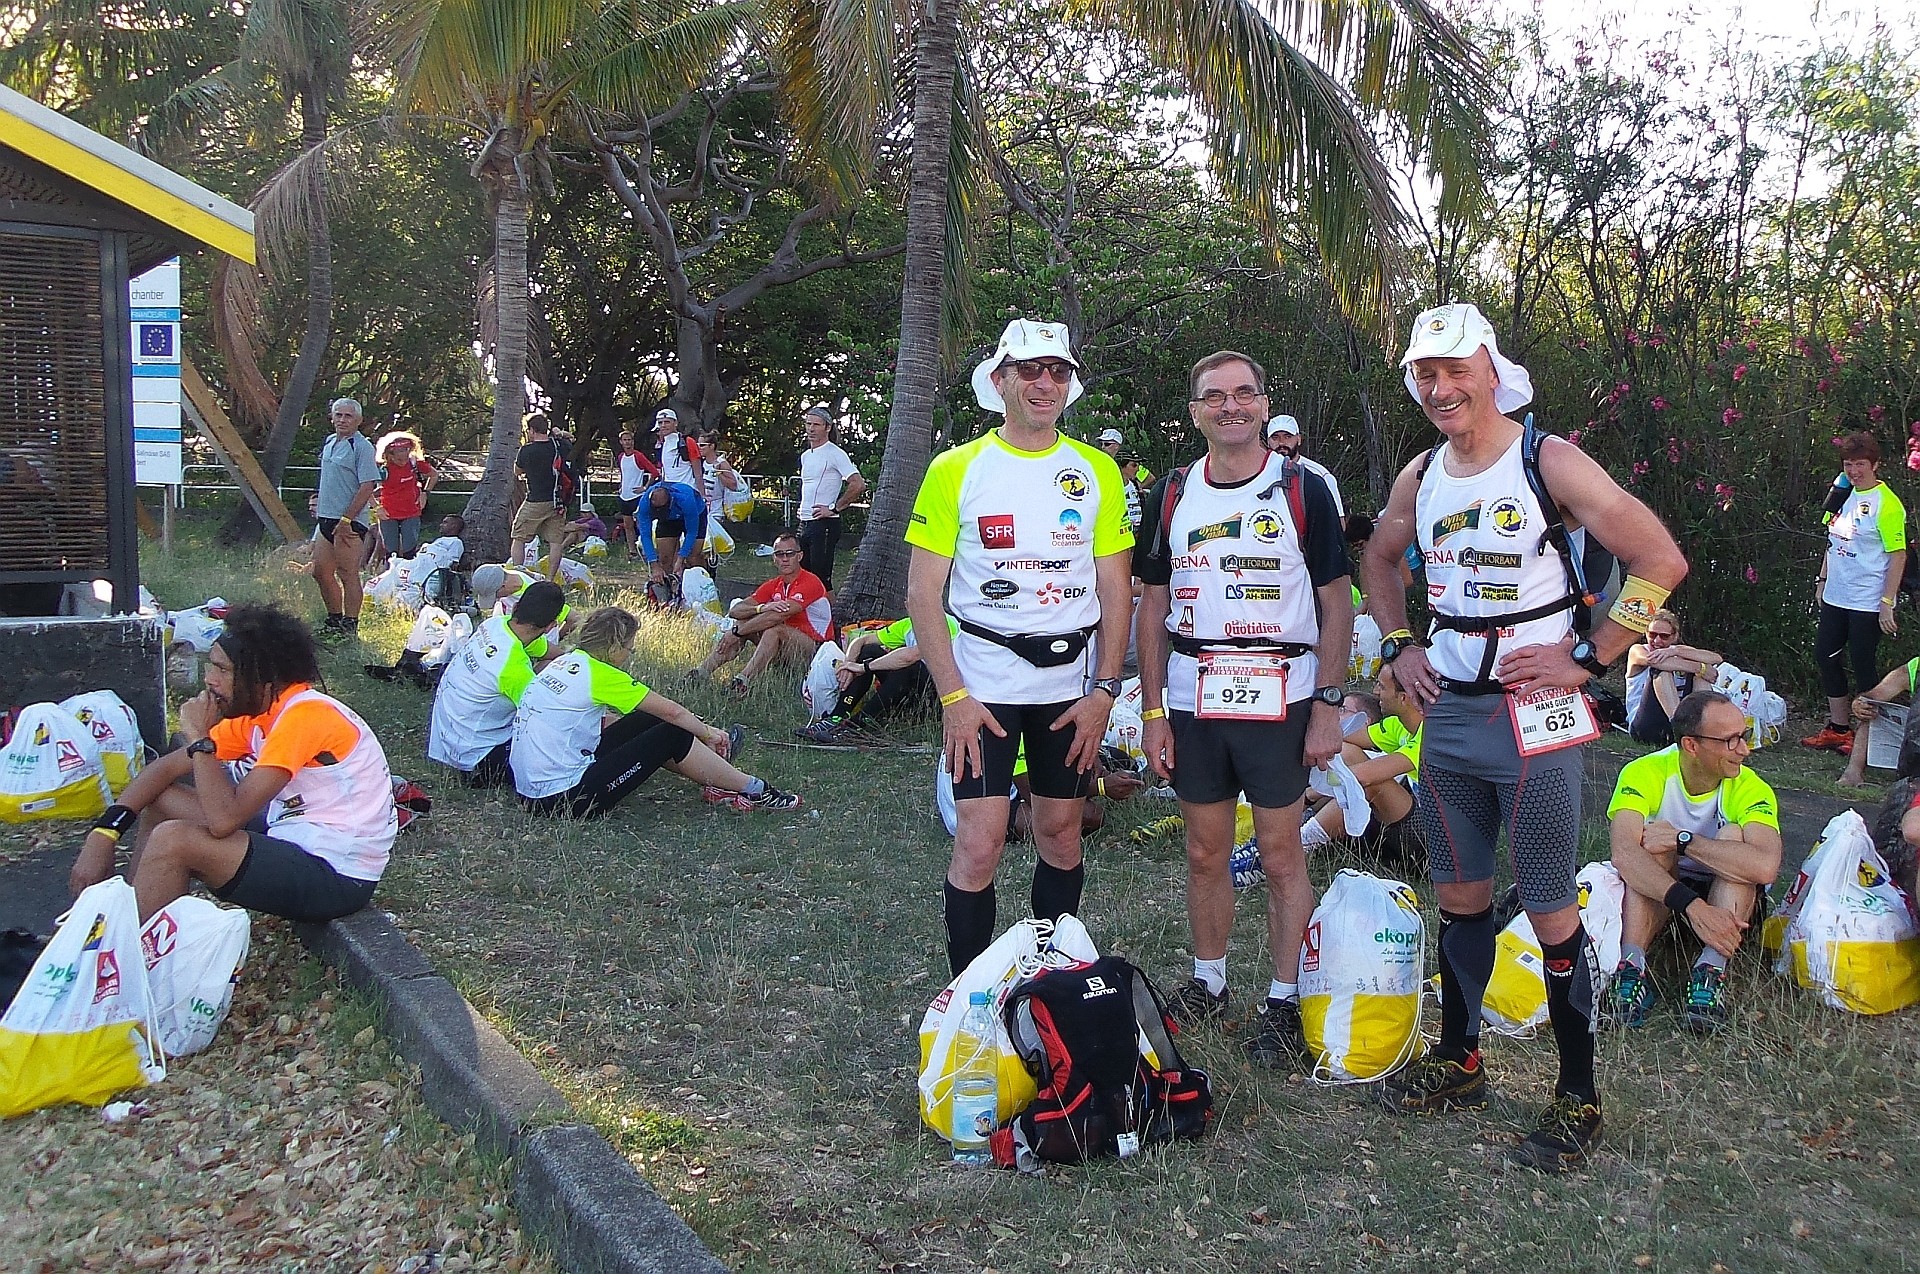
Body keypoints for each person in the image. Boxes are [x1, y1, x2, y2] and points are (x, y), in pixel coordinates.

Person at [1360, 301, 1687, 1172]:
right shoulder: (1421, 472)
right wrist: (1399, 644)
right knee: (1460, 894)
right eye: (1423, 373)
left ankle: (1577, 1092)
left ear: (1489, 370)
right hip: (1453, 713)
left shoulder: (1547, 458)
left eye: (1453, 368)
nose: (1438, 386)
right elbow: (1379, 560)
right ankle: (1460, 1057)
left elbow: (1661, 558)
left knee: (1546, 900)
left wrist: (1588, 653)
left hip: (1537, 715)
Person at [1133, 349, 1353, 1066]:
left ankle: (1285, 998)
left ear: (1263, 404)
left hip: (1281, 692)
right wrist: (1155, 710)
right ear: (1195, 411)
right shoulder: (1171, 493)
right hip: (1196, 695)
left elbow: (1335, 604)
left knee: (1284, 853)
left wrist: (1326, 706)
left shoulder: (1301, 490)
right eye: (1214, 396)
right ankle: (1209, 980)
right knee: (1205, 851)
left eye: (1244, 393)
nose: (1231, 406)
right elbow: (1153, 606)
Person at [905, 317, 1134, 976]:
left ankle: (1048, 981)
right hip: (983, 688)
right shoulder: (956, 469)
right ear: (1000, 379)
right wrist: (953, 698)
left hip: (1070, 691)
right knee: (980, 842)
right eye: (1030, 370)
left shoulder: (1096, 470)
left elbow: (1116, 591)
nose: (1045, 383)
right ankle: (969, 1000)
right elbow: (924, 595)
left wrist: (1104, 692)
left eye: (1058, 370)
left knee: (1062, 835)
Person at [67, 604, 395, 922]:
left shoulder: (304, 718)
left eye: (222, 670)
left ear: (262, 678)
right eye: (211, 666)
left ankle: (129, 959)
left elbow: (223, 821)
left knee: (175, 839)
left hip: (338, 873)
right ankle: (129, 921)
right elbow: (162, 770)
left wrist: (200, 739)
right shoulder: (261, 715)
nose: (209, 680)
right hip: (295, 837)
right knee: (163, 800)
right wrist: (104, 834)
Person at [1605, 690, 1781, 1033]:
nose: (1743, 750)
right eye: (1730, 741)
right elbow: (1623, 853)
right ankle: (1632, 966)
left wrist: (1684, 841)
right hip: (1667, 887)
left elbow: (1765, 866)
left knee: (1734, 837)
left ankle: (1710, 971)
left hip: (1728, 889)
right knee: (1649, 843)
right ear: (1691, 745)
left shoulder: (1751, 786)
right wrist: (1694, 908)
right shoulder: (1645, 772)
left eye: (1743, 736)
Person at [512, 607, 799, 816]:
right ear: (613, 648)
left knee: (650, 720)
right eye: (629, 648)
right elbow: (673, 713)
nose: (629, 655)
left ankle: (717, 776)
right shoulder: (600, 674)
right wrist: (710, 733)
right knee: (672, 731)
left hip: (530, 791)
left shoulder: (564, 662)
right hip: (564, 799)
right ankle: (756, 789)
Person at [1803, 431, 1908, 755]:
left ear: (1874, 465)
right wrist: (1822, 581)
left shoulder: (1887, 504)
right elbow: (1832, 539)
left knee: (1863, 665)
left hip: (1866, 599)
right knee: (1825, 655)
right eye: (1849, 464)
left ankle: (1869, 742)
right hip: (1837, 594)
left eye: (1860, 464)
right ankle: (1838, 728)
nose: (1854, 470)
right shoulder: (1841, 492)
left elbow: (1898, 555)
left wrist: (1886, 603)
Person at [428, 582, 568, 787]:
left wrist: (572, 660)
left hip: (445, 736)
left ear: (516, 607)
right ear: (550, 627)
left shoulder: (496, 625)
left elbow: (548, 652)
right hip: (475, 758)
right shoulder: (512, 668)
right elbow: (547, 717)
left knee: (548, 668)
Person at [1302, 661, 1425, 864]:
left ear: (1403, 698)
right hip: (1403, 820)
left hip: (1434, 841)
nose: (1376, 692)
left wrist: (1310, 794)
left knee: (1373, 782)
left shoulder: (1430, 734)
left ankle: (1300, 843)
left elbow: (1366, 777)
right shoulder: (1398, 724)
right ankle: (1306, 824)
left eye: (1382, 687)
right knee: (1345, 752)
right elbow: (1344, 739)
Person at [691, 530, 831, 693]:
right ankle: (700, 674)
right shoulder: (775, 584)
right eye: (779, 554)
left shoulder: (810, 581)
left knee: (774, 629)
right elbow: (736, 611)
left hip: (816, 651)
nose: (784, 559)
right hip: (786, 648)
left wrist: (736, 633)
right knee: (744, 621)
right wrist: (761, 608)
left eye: (789, 554)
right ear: (774, 558)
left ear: (799, 556)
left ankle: (742, 682)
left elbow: (778, 616)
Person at [794, 615, 955, 744]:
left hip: (942, 698)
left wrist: (864, 667)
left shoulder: (947, 624)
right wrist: (848, 665)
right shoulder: (907, 624)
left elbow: (910, 656)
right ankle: (836, 717)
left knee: (909, 668)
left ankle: (855, 727)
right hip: (913, 693)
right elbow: (860, 640)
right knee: (869, 650)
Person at [310, 397, 380, 640]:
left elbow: (367, 485)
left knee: (347, 573)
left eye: (348, 416)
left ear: (358, 420)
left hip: (349, 522)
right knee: (320, 572)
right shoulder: (330, 442)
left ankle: (350, 626)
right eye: (338, 415)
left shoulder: (362, 447)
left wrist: (347, 519)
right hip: (325, 519)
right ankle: (334, 618)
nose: (342, 420)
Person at [1624, 609, 1721, 746]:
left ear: (1674, 637)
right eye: (1652, 634)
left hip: (1677, 722)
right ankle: (1678, 726)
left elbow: (1716, 658)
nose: (1657, 641)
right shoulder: (1638, 650)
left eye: (1664, 636)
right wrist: (1699, 668)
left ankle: (1702, 727)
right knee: (1661, 671)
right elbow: (1654, 661)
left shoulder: (1678, 651)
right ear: (1646, 633)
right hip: (1646, 726)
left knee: (1701, 677)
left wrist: (1675, 651)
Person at [796, 406, 866, 588]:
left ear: (827, 428)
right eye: (808, 424)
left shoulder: (834, 453)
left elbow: (858, 484)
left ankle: (830, 616)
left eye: (816, 425)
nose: (811, 428)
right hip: (805, 522)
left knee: (821, 581)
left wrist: (834, 508)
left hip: (825, 524)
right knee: (803, 576)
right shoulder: (806, 456)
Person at [1840, 651, 1920, 787]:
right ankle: (1852, 774)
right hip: (1913, 737)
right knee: (1869, 709)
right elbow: (1875, 694)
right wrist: (1859, 704)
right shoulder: (1915, 667)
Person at [510, 414, 571, 583]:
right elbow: (570, 438)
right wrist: (559, 433)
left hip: (535, 500)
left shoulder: (527, 450)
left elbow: (517, 471)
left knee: (519, 536)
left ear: (532, 430)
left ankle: (518, 575)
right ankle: (550, 579)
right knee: (555, 542)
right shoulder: (558, 446)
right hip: (557, 501)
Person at [638, 479, 709, 599]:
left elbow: (691, 532)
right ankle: (668, 594)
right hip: (668, 520)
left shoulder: (685, 499)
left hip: (694, 513)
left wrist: (681, 558)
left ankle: (702, 585)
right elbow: (645, 535)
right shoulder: (644, 503)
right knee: (665, 559)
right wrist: (654, 565)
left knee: (692, 557)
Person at [373, 430, 437, 561]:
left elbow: (434, 474)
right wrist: (376, 507)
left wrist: (425, 493)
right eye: (398, 458)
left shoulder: (414, 464)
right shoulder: (382, 469)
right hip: (388, 513)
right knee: (391, 553)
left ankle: (408, 576)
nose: (403, 461)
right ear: (389, 455)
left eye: (406, 455)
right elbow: (366, 487)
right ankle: (390, 576)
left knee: (410, 551)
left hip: (411, 511)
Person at [1264, 415, 1345, 516]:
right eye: (1275, 437)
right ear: (1268, 442)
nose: (1281, 443)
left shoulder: (1319, 475)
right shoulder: (1260, 474)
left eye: (1287, 437)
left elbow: (1338, 521)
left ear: (1298, 439)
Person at [614, 429, 660, 557]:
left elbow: (654, 472)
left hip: (637, 496)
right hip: (624, 495)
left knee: (642, 524)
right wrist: (621, 486)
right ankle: (632, 550)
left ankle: (647, 549)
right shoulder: (621, 457)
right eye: (625, 440)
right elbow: (624, 473)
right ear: (621, 442)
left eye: (629, 440)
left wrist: (645, 487)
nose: (627, 443)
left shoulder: (638, 456)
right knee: (628, 525)